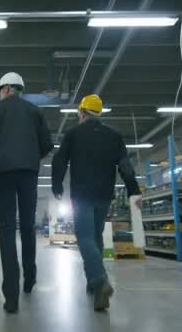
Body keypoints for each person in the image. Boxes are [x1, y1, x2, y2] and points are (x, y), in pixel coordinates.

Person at [51, 94, 142, 311]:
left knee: (84, 238)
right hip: (104, 196)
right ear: (98, 113)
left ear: (82, 112)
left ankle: (100, 281)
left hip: (82, 195)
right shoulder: (114, 136)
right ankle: (94, 284)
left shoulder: (73, 133)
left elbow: (60, 160)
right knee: (95, 237)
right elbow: (125, 166)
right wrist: (134, 191)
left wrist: (57, 186)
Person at [0, 72, 53, 313]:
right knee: (28, 226)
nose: (0, 94)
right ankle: (29, 280)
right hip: (28, 173)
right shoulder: (34, 111)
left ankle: (11, 296)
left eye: (0, 90)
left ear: (7, 88)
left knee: (8, 229)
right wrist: (30, 157)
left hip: (3, 173)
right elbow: (47, 145)